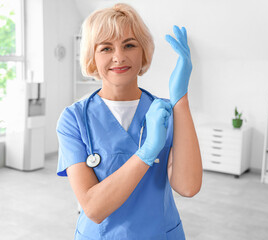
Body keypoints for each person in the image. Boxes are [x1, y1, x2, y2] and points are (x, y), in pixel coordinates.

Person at [56, 3, 202, 239]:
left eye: (129, 45)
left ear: (143, 51)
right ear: (92, 57)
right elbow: (93, 208)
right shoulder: (73, 119)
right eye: (105, 48)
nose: (119, 57)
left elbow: (188, 186)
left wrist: (181, 101)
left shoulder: (166, 111)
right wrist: (147, 152)